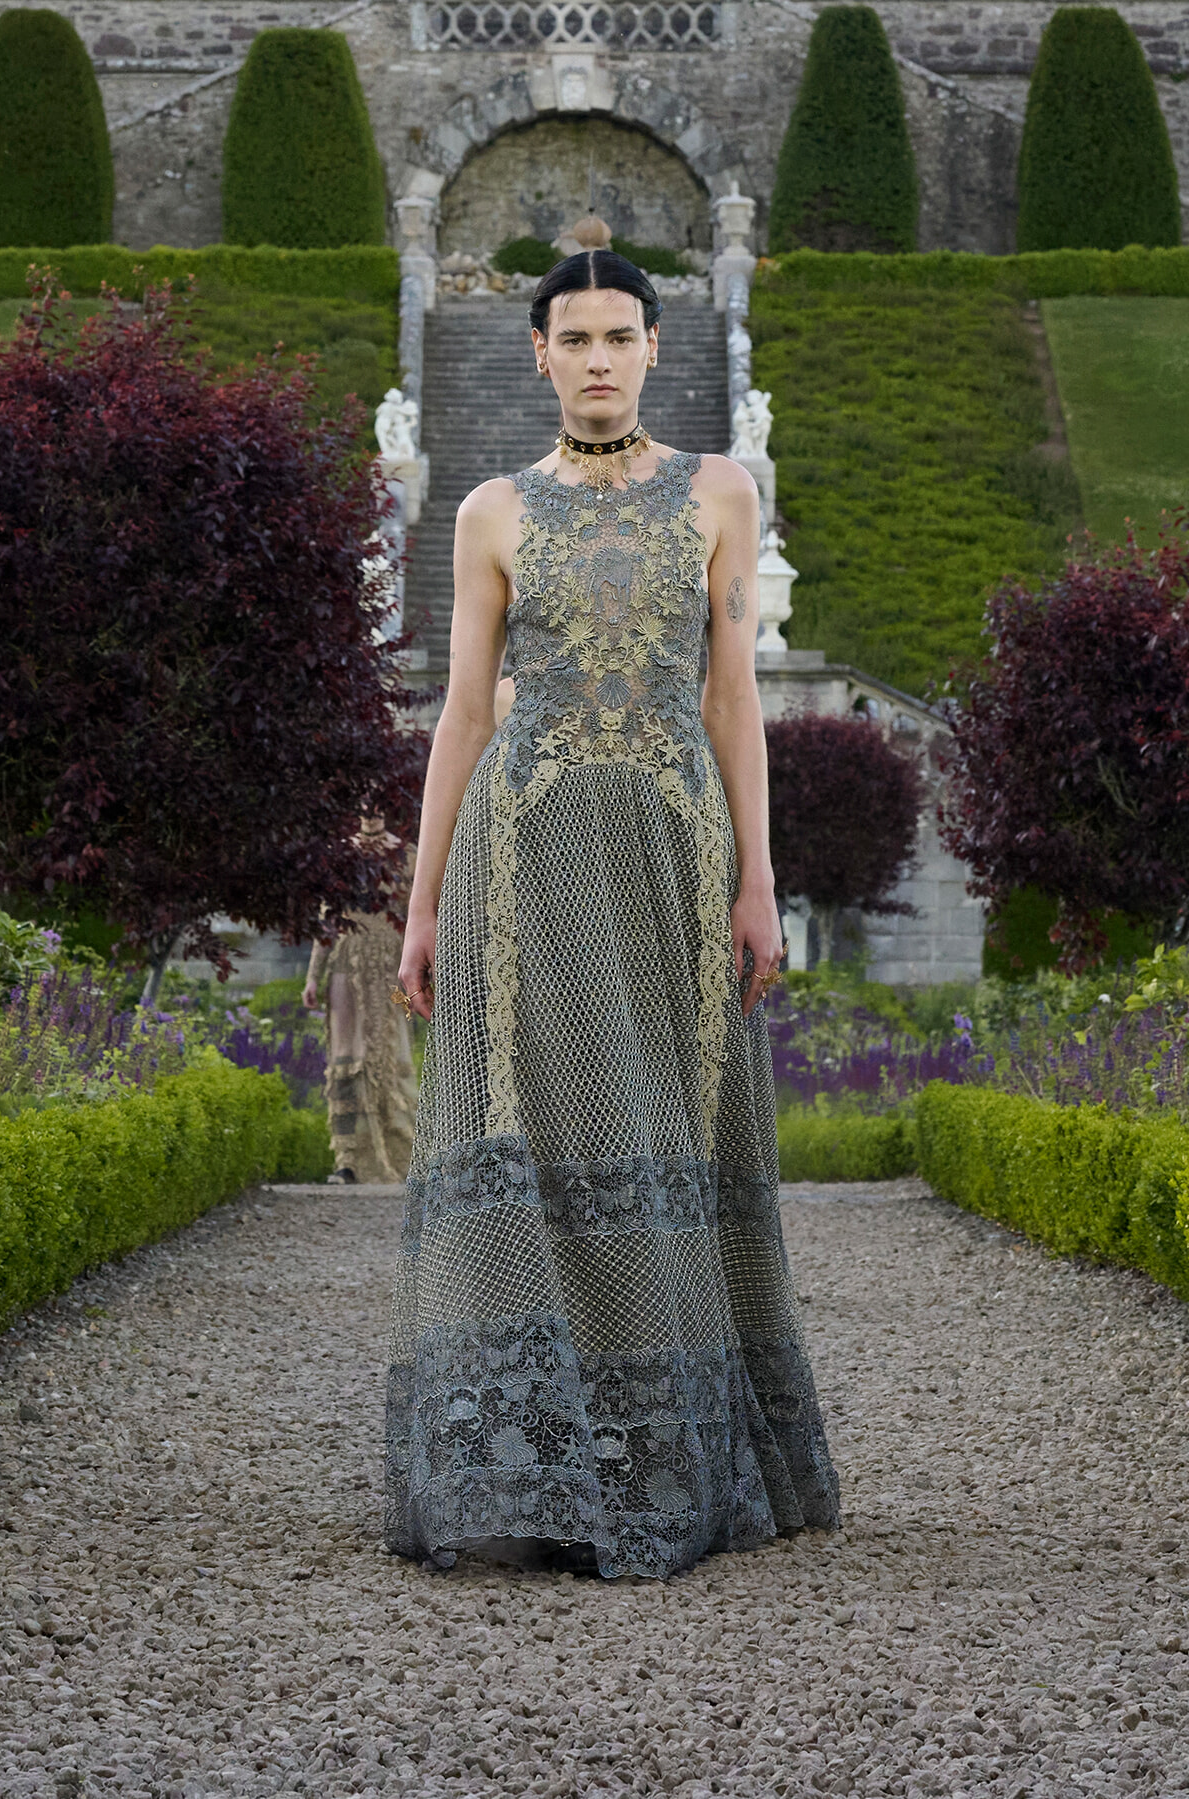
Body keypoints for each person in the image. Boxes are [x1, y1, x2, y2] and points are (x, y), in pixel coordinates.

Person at [384, 249, 839, 1578]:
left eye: (617, 335)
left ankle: (671, 1451)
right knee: (528, 1117)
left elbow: (734, 697)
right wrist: (420, 910)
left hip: (673, 846)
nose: (595, 357)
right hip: (519, 849)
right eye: (571, 336)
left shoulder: (718, 491)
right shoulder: (485, 512)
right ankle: (533, 1469)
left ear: (655, 346)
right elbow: (464, 714)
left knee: (666, 1117)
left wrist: (759, 876)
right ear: (537, 353)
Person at [303, 818, 417, 1185]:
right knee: (347, 1057)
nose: (371, 808)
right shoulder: (342, 854)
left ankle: (405, 1158)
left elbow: (419, 914)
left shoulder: (406, 854)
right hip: (346, 963)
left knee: (392, 1052)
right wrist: (311, 977)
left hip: (391, 963)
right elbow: (327, 921)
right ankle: (348, 1160)